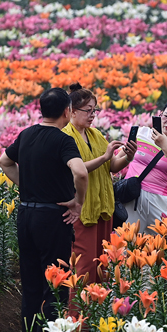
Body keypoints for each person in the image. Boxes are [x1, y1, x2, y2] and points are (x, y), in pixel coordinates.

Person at [0, 88, 88, 332]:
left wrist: (25, 186)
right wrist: (77, 203)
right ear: (67, 112)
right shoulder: (63, 140)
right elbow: (80, 172)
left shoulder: (26, 135)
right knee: (56, 283)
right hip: (52, 218)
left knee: (31, 283)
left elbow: (4, 161)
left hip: (26, 214)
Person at [61, 83, 135, 286]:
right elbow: (77, 169)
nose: (93, 114)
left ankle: (96, 309)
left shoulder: (96, 135)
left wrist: (128, 156)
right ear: (72, 111)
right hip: (82, 208)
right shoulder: (66, 136)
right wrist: (104, 157)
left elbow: (112, 166)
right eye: (88, 110)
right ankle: (76, 314)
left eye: (95, 110)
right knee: (83, 265)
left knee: (102, 264)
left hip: (103, 208)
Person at [122, 99, 167, 234]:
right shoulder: (142, 133)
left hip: (156, 201)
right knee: (126, 241)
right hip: (131, 195)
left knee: (157, 245)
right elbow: (119, 158)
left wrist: (164, 146)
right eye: (165, 116)